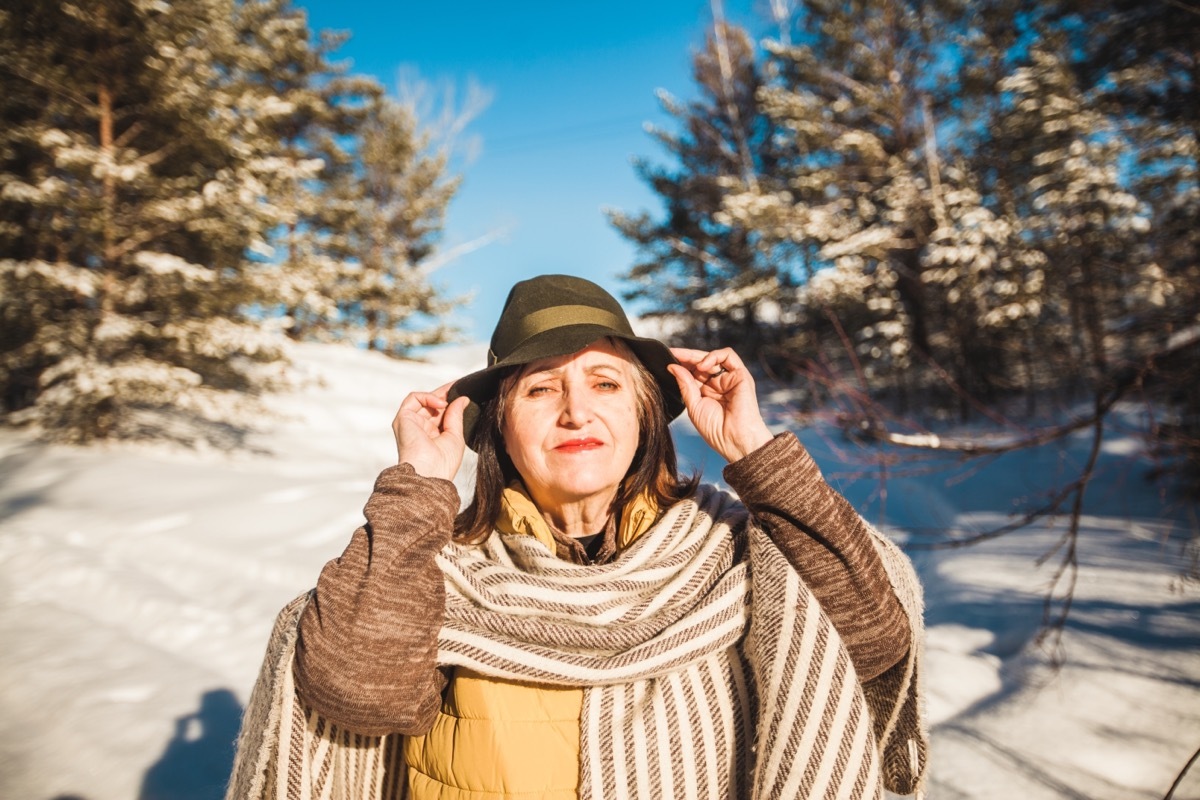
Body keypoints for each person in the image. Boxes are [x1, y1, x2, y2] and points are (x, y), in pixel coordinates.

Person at [226, 274, 928, 800]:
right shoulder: (424, 573)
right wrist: (418, 484)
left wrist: (756, 453)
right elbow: (355, 688)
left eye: (605, 383)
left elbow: (870, 642)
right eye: (539, 390)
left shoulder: (738, 551)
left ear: (647, 414)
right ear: (498, 426)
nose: (574, 411)